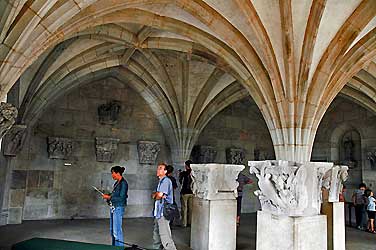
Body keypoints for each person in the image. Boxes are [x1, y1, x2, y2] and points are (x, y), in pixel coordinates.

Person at [152, 163, 177, 250]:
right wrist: (157, 195)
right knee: (157, 235)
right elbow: (156, 195)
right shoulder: (161, 181)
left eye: (160, 168)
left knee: (165, 236)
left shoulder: (166, 181)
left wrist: (158, 195)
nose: (158, 170)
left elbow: (159, 195)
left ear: (165, 171)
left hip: (163, 212)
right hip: (158, 212)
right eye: (158, 168)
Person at [102, 166, 128, 247]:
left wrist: (109, 197)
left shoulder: (123, 183)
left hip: (118, 208)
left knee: (117, 230)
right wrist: (108, 195)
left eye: (112, 173)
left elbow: (121, 198)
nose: (112, 175)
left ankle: (119, 247)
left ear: (117, 173)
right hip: (114, 207)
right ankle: (114, 247)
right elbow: (115, 195)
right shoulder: (117, 183)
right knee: (112, 230)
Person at [179, 160, 194, 227]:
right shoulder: (194, 173)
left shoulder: (184, 173)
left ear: (187, 166)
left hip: (184, 192)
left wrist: (180, 174)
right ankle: (190, 222)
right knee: (191, 209)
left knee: (184, 208)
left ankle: (184, 223)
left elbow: (180, 181)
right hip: (192, 192)